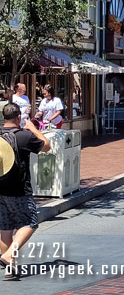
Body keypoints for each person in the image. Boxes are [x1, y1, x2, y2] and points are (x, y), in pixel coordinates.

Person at [0, 103, 50, 280]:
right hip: (20, 189)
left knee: (5, 228)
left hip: (1, 189)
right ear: (18, 117)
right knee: (30, 223)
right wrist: (33, 128)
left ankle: (9, 268)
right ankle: (8, 256)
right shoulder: (24, 136)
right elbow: (46, 146)